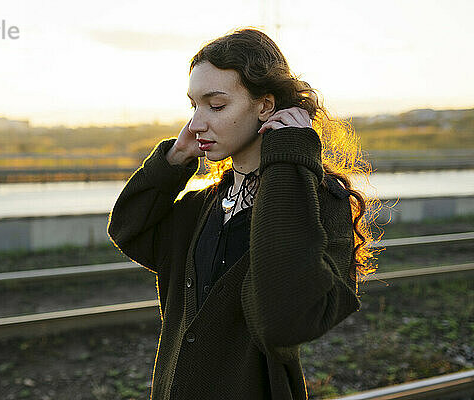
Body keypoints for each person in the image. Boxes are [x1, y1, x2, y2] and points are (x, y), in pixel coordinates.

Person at [107, 27, 380, 400]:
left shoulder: (319, 204)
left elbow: (284, 319)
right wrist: (173, 161)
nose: (196, 123)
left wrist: (285, 161)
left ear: (264, 106)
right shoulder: (203, 204)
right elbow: (127, 230)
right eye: (194, 106)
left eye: (215, 105)